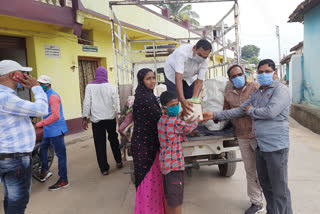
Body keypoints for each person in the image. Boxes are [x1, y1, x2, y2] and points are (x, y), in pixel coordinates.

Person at [203, 59, 293, 214]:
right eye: (261, 72)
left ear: (275, 72)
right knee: (266, 184)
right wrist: (214, 115)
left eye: (267, 71)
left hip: (275, 146)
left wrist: (251, 111)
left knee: (279, 188)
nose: (263, 75)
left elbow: (270, 112)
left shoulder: (281, 90)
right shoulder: (258, 93)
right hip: (260, 145)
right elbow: (238, 110)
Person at [0, 60, 48, 213]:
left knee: (11, 198)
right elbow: (41, 109)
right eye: (23, 73)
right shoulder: (5, 98)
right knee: (18, 202)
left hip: (7, 156)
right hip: (15, 158)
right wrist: (36, 88)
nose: (27, 76)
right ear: (13, 75)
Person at [222, 65, 264, 214]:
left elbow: (266, 106)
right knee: (250, 170)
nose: (238, 77)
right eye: (234, 76)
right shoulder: (228, 95)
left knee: (264, 170)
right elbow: (225, 112)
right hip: (242, 136)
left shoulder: (256, 87)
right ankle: (256, 203)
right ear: (230, 79)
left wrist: (252, 110)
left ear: (245, 75)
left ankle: (272, 200)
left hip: (259, 135)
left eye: (240, 74)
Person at [131, 68, 166, 214]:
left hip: (148, 142)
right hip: (144, 145)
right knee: (148, 179)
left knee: (152, 179)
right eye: (148, 79)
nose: (152, 81)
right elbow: (158, 119)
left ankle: (153, 209)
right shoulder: (145, 98)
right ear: (141, 81)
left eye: (153, 78)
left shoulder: (147, 95)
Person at [158, 91, 198, 214]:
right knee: (177, 202)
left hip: (165, 166)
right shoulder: (174, 122)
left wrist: (180, 117)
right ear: (164, 108)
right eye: (173, 105)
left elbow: (177, 125)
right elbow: (189, 127)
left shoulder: (162, 120)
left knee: (170, 199)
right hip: (174, 167)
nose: (176, 107)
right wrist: (198, 119)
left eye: (177, 104)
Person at [82, 66, 122, 175]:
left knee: (99, 144)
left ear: (96, 74)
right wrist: (118, 113)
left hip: (97, 120)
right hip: (110, 118)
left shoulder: (89, 86)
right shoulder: (111, 86)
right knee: (114, 139)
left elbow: (87, 102)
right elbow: (116, 101)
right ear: (105, 75)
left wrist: (85, 117)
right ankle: (118, 161)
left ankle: (104, 169)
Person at [35, 75, 69, 190]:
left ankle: (64, 180)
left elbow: (55, 115)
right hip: (49, 130)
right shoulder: (45, 95)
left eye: (41, 84)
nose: (39, 86)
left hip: (56, 130)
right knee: (43, 148)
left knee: (61, 155)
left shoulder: (53, 96)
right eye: (38, 84)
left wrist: (40, 124)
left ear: (48, 84)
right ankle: (45, 170)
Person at [164, 39, 212, 114]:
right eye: (199, 55)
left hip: (189, 77)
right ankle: (175, 120)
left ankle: (188, 122)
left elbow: (199, 82)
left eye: (204, 57)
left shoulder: (205, 61)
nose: (201, 58)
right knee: (174, 100)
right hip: (173, 74)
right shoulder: (182, 52)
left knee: (190, 100)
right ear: (194, 48)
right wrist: (182, 100)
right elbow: (178, 77)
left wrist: (194, 99)